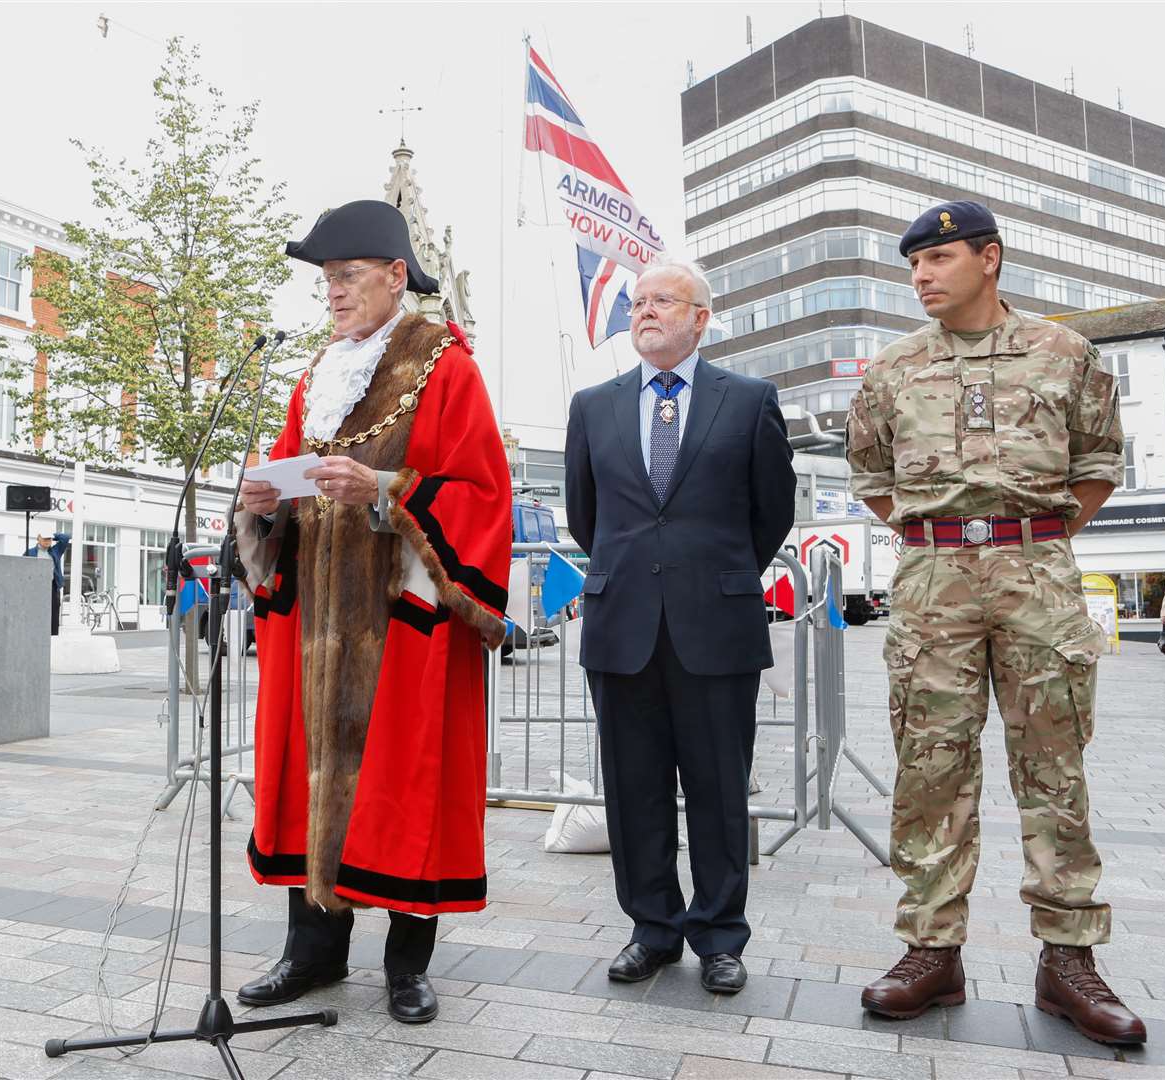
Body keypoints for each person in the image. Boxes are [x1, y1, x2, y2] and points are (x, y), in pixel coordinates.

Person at [846, 201, 1144, 1045]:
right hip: (932, 576)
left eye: (936, 260)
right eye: (912, 266)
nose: (920, 277)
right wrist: (944, 537)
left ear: (990, 259)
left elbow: (1096, 464)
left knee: (1054, 765)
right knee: (929, 765)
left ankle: (1069, 960)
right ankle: (930, 951)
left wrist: (1027, 539)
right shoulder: (894, 369)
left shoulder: (1065, 354)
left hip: (1037, 573)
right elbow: (871, 474)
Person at [233, 199, 511, 1024]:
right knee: (304, 780)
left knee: (405, 783)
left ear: (396, 277)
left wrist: (386, 490)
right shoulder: (314, 374)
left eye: (348, 276)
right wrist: (262, 498)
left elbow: (484, 497)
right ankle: (311, 953)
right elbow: (292, 478)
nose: (334, 293)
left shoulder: (447, 368)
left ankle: (406, 966)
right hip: (313, 613)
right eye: (326, 280)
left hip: (403, 621)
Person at [563, 254, 795, 994]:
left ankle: (720, 935)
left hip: (715, 625)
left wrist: (712, 573)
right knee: (633, 789)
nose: (646, 312)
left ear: (701, 318)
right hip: (622, 624)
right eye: (638, 303)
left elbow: (771, 513)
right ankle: (652, 928)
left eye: (664, 301)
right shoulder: (593, 406)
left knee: (720, 788)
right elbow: (584, 516)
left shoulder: (750, 399)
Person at [24, 531, 70, 635]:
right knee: (36, 612)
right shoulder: (30, 552)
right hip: (35, 587)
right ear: (38, 538)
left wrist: (53, 536)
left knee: (53, 614)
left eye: (49, 539)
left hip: (52, 586)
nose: (47, 541)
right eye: (45, 539)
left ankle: (53, 637)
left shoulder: (55, 551)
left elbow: (66, 537)